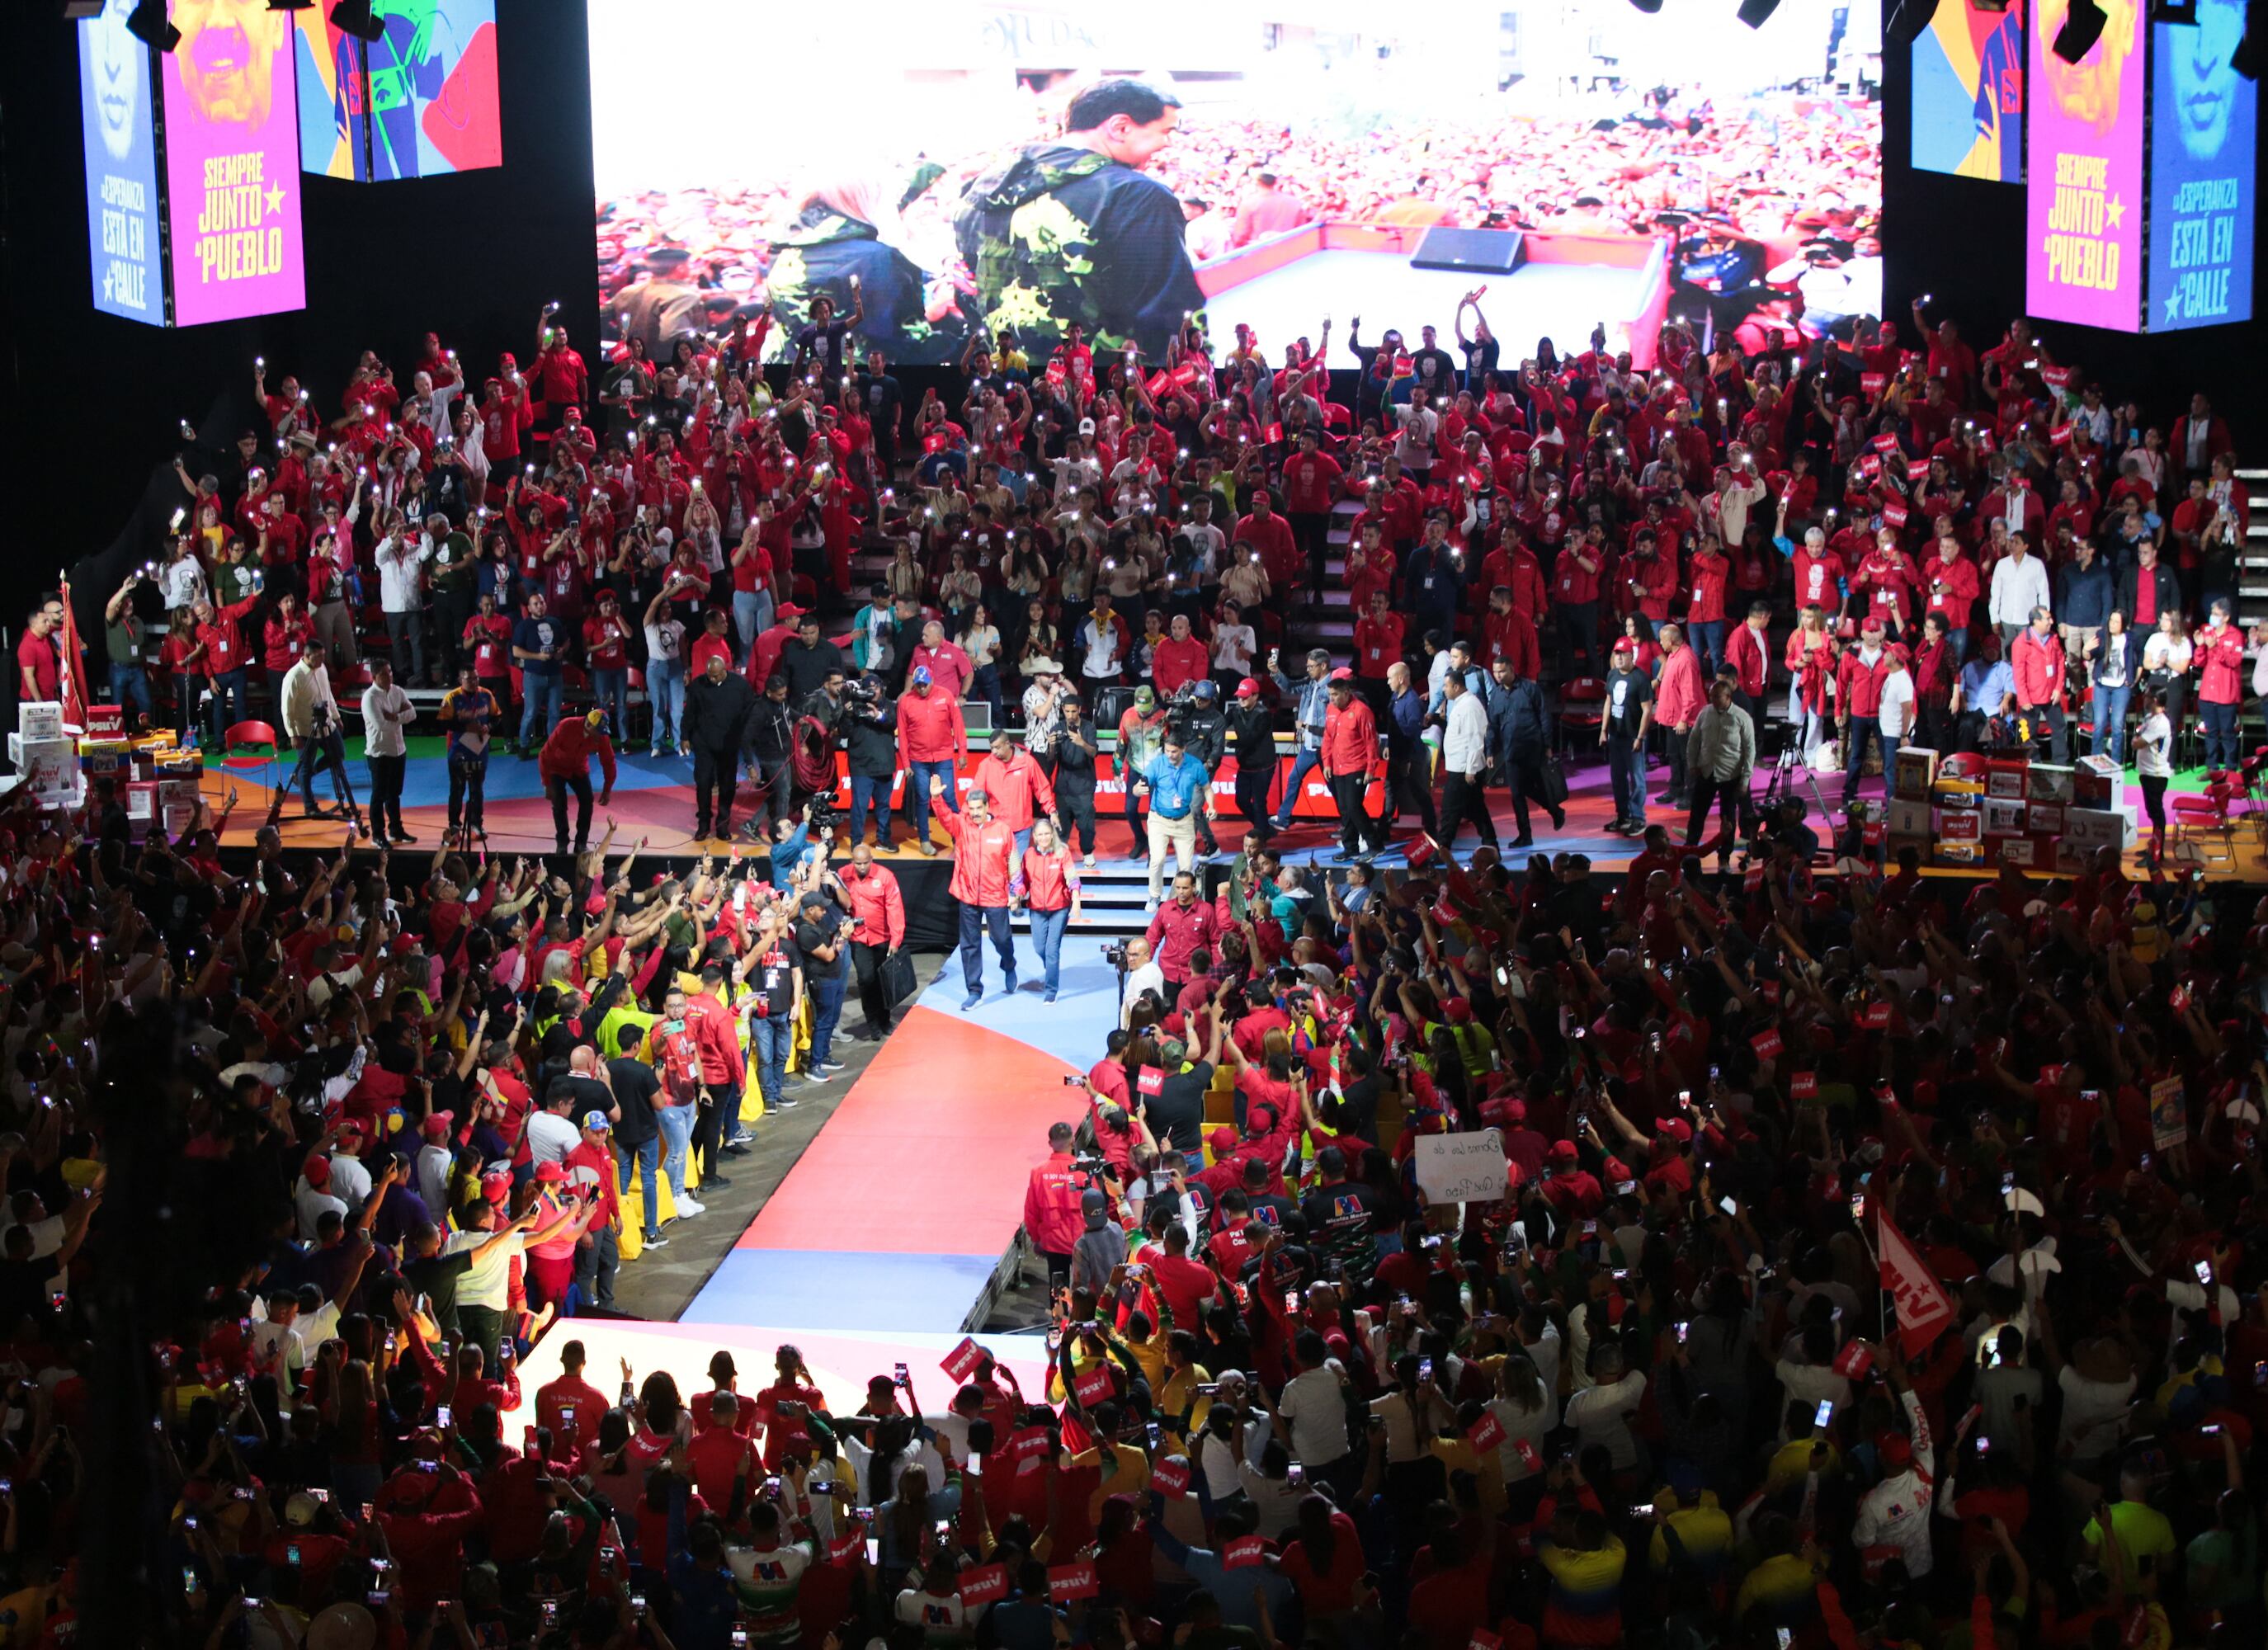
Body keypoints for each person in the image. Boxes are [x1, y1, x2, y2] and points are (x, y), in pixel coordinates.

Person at [951, 78, 1204, 360]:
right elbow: (1169, 319)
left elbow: (967, 293)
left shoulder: (981, 188)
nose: (1167, 143)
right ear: (1120, 127)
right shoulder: (1136, 197)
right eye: (1165, 132)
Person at [931, 776, 1019, 1010]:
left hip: (995, 897)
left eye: (978, 809)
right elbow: (945, 818)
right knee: (969, 944)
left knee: (1001, 938)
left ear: (987, 807)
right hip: (968, 896)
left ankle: (1008, 963)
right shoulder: (962, 826)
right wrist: (936, 798)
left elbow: (1013, 860)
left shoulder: (1002, 830)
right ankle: (974, 990)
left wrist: (1016, 890)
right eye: (971, 809)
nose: (974, 813)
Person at [1135, 732, 1214, 912]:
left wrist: (1212, 806)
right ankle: (1155, 896)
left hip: (1184, 821)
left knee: (1186, 866)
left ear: (1183, 749)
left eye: (1174, 752)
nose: (1170, 755)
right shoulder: (1157, 764)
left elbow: (1207, 789)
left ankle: (1174, 899)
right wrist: (1137, 790)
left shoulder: (1195, 766)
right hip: (1158, 820)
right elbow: (1138, 787)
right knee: (1157, 860)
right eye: (1167, 751)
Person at [683, 652, 756, 842]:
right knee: (703, 784)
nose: (712, 679)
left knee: (727, 786)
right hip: (704, 743)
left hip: (729, 744)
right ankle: (704, 824)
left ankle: (723, 824)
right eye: (710, 675)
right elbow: (689, 713)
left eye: (716, 675)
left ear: (725, 670)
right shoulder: (698, 686)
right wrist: (684, 737)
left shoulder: (740, 685)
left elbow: (751, 711)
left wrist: (748, 737)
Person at [1683, 677, 1756, 865]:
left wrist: (1745, 779)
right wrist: (1692, 764)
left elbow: (1750, 750)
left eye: (1716, 697)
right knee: (1697, 815)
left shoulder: (1742, 717)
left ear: (1728, 697)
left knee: (1728, 818)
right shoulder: (1705, 713)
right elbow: (1694, 740)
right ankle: (1690, 853)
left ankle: (1724, 857)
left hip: (1730, 776)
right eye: (1711, 696)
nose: (1713, 700)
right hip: (1706, 772)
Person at [898, 665, 966, 859]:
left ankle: (958, 837)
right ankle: (925, 841)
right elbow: (902, 735)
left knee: (950, 797)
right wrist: (906, 764)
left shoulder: (946, 696)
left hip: (944, 755)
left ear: (932, 681)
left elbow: (958, 725)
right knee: (922, 799)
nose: (922, 688)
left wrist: (962, 751)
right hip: (918, 759)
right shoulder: (906, 702)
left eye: (925, 685)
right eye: (918, 685)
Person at [279, 638, 351, 820]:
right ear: (307, 656)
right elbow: (287, 708)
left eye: (323, 656)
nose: (321, 661)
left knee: (338, 754)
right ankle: (309, 806)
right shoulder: (294, 676)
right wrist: (293, 734)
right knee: (304, 766)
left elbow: (328, 694)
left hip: (326, 723)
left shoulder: (322, 669)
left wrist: (336, 716)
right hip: (305, 729)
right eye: (318, 657)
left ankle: (305, 778)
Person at [842, 840, 908, 1035]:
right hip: (858, 938)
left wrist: (896, 939)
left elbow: (895, 908)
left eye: (865, 863)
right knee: (865, 979)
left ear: (871, 860)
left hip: (882, 937)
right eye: (857, 863)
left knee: (882, 980)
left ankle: (884, 1019)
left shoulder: (885, 876)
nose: (861, 867)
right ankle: (872, 1022)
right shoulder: (844, 875)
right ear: (852, 861)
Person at [1320, 667, 1383, 860]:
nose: (1332, 699)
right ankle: (1351, 847)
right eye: (1330, 694)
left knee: (1354, 807)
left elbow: (1371, 741)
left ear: (1347, 693)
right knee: (1345, 809)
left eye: (1336, 695)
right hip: (1337, 766)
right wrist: (1327, 763)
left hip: (1357, 766)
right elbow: (1328, 738)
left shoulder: (1361, 711)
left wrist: (1371, 768)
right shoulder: (1331, 710)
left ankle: (1375, 845)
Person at [1436, 667, 1499, 853]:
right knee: (1476, 810)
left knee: (1450, 810)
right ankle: (1491, 845)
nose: (1443, 690)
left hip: (1464, 769)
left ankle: (1442, 849)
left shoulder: (1470, 706)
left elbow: (1475, 738)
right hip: (1460, 766)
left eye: (1446, 686)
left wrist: (1471, 769)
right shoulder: (1461, 703)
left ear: (1456, 687)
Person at [540, 710, 617, 857]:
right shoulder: (566, 726)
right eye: (598, 731)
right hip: (556, 768)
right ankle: (562, 842)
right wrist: (547, 783)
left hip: (578, 768)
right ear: (588, 725)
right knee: (559, 803)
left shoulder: (602, 737)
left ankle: (581, 843)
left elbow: (609, 762)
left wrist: (607, 789)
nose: (601, 735)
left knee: (587, 801)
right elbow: (545, 754)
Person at [436, 665, 497, 846]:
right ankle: (454, 826)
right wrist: (465, 727)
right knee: (457, 789)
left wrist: (489, 727)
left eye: (476, 678)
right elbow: (441, 724)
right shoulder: (452, 698)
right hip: (458, 750)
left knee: (477, 788)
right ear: (460, 680)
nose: (474, 682)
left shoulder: (486, 695)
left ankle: (476, 824)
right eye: (469, 679)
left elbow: (497, 716)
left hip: (480, 749)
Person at [1023, 818, 1082, 1004]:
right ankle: (1051, 968)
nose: (1044, 837)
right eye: (1040, 834)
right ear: (1034, 837)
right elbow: (1022, 881)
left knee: (1052, 950)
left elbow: (1072, 877)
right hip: (1037, 908)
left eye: (1047, 833)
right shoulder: (1028, 855)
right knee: (1040, 948)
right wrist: (1016, 895)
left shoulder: (1062, 853)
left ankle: (1051, 990)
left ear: (1052, 834)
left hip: (1059, 908)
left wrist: (1076, 898)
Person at [1599, 637, 1653, 835]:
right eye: (1617, 654)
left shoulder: (1640, 678)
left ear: (1632, 656)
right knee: (1617, 778)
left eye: (1623, 654)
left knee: (1637, 779)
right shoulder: (1612, 675)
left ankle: (1638, 818)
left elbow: (1647, 710)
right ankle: (1623, 815)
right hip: (1616, 735)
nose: (1620, 658)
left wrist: (1640, 737)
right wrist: (1604, 730)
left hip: (1632, 736)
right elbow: (1608, 702)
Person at [360, 656, 417, 845]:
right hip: (380, 753)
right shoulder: (370, 698)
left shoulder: (397, 691)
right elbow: (382, 725)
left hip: (399, 749)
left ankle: (396, 829)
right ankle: (378, 834)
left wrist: (395, 716)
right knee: (379, 795)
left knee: (394, 794)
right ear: (375, 676)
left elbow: (413, 714)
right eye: (384, 674)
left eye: (390, 672)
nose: (389, 676)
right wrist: (401, 717)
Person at [2195, 597, 2246, 769]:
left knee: (2228, 734)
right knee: (2211, 733)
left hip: (2226, 694)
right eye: (2212, 613)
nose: (2213, 617)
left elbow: (2234, 661)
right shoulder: (2207, 632)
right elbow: (2199, 662)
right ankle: (2212, 768)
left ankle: (2230, 768)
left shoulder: (2236, 636)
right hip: (2207, 694)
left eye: (2216, 614)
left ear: (2226, 617)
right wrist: (2201, 646)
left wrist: (2216, 647)